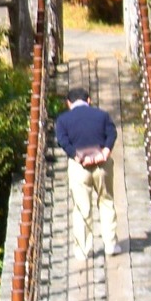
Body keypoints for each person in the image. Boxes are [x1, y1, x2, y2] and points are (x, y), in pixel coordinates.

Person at [55, 93, 121, 262]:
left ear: (68, 103)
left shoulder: (63, 120)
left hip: (79, 167)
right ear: (88, 100)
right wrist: (105, 153)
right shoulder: (102, 115)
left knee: (81, 208)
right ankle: (110, 244)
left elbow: (63, 141)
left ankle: (83, 250)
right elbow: (112, 133)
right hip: (102, 164)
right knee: (106, 201)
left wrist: (77, 157)